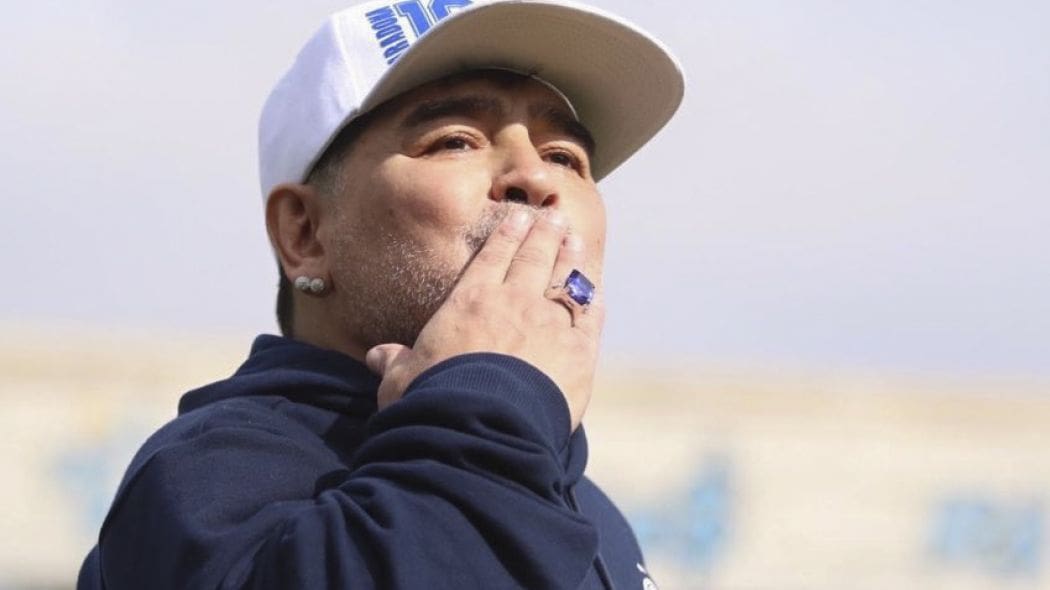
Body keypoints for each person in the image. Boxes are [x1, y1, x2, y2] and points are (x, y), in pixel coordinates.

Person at [77, 0, 683, 588]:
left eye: (565, 157)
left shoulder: (592, 510)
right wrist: (491, 411)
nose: (535, 176)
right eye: (455, 141)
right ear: (305, 233)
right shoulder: (205, 477)